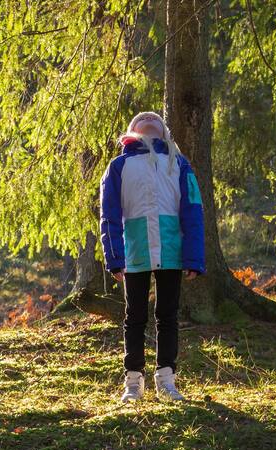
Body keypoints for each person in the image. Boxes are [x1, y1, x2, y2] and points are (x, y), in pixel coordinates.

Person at [99, 111, 206, 402]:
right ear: (132, 132)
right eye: (143, 123)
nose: (149, 123)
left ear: (164, 133)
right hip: (135, 251)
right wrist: (114, 257)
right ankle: (133, 382)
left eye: (155, 123)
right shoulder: (119, 166)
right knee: (134, 317)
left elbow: (193, 210)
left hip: (171, 251)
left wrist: (194, 257)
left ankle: (166, 379)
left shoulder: (179, 164)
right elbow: (108, 215)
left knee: (167, 316)